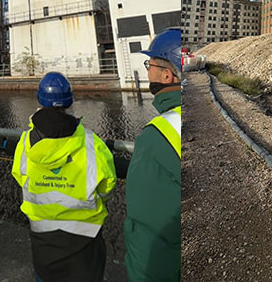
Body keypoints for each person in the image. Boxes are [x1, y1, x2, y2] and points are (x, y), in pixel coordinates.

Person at [11, 72, 116, 282]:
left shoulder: (24, 143)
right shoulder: (92, 144)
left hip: (43, 243)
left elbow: (21, 178)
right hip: (85, 243)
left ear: (39, 101)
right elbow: (107, 187)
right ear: (70, 102)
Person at [124, 27, 182, 281]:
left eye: (150, 64)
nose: (147, 71)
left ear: (167, 76)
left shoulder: (156, 137)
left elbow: (149, 233)